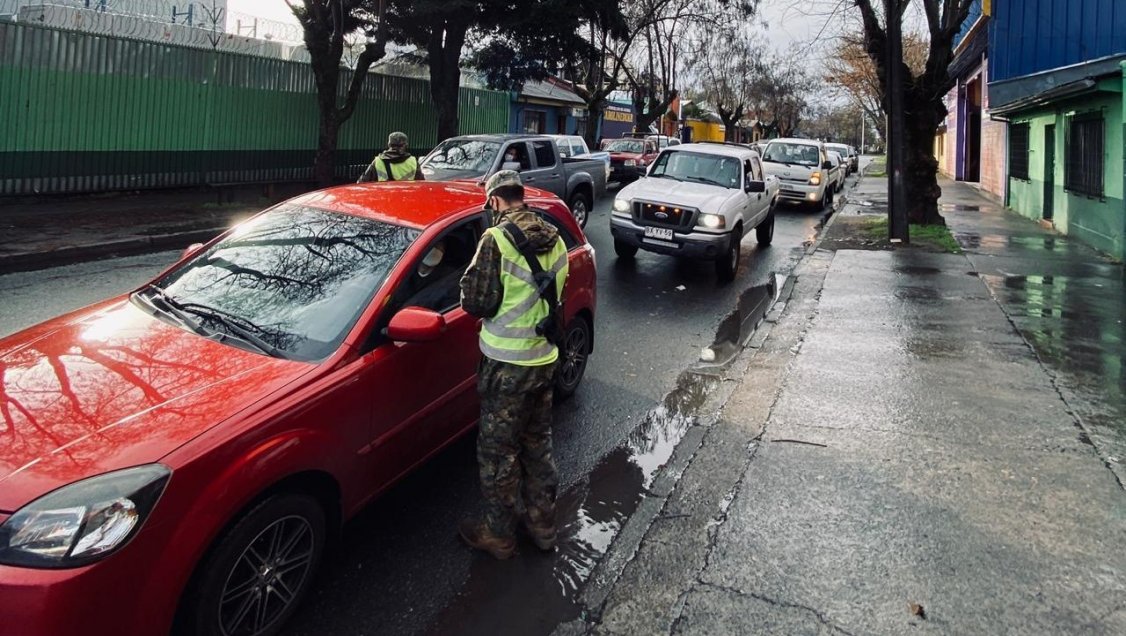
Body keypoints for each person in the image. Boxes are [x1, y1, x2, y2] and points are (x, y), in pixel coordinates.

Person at [458, 170, 569, 560]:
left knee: (498, 453)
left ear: (494, 202)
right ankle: (543, 526)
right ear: (521, 196)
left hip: (506, 367)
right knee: (537, 445)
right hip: (544, 360)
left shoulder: (496, 239)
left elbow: (476, 302)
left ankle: (499, 534)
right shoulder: (554, 237)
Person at [358, 131, 424, 182]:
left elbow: (362, 182)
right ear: (406, 145)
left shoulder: (378, 161)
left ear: (389, 144)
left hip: (384, 197)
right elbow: (421, 183)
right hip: (406, 197)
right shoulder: (413, 161)